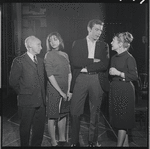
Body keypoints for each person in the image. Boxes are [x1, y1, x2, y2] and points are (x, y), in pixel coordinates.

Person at [70, 19, 110, 147]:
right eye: (96, 29)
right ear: (89, 29)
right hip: (80, 79)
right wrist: (93, 61)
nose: (99, 33)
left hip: (96, 79)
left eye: (101, 30)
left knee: (95, 112)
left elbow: (104, 65)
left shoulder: (104, 45)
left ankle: (93, 141)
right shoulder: (77, 43)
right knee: (75, 111)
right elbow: (75, 62)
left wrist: (87, 66)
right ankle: (74, 141)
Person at [9, 36, 46, 146]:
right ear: (30, 46)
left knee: (39, 130)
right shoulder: (19, 61)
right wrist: (24, 93)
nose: (41, 47)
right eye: (38, 44)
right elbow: (13, 82)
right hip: (26, 102)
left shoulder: (40, 61)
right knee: (25, 129)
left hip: (41, 103)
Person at [109, 32, 138, 147]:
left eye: (113, 41)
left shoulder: (129, 58)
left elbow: (134, 76)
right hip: (115, 89)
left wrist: (119, 73)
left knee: (122, 122)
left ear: (120, 44)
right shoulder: (114, 57)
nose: (111, 43)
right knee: (120, 122)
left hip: (125, 91)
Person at [44, 32, 72, 146]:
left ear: (60, 40)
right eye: (50, 40)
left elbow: (69, 73)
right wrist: (60, 92)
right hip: (54, 90)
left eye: (55, 39)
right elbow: (50, 76)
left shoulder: (65, 55)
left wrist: (68, 90)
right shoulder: (48, 55)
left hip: (65, 90)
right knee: (53, 115)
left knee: (63, 114)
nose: (53, 42)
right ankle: (53, 141)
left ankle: (62, 139)